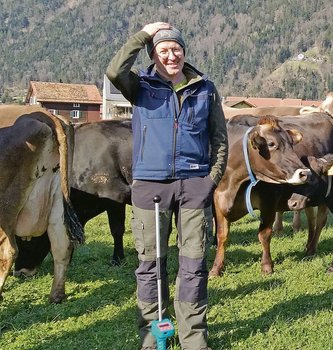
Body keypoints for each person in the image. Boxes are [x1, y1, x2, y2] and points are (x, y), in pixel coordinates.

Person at [106, 22, 228, 349]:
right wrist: (144, 34)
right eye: (163, 50)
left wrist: (209, 181)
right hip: (150, 187)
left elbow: (219, 140)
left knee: (193, 265)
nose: (171, 55)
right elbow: (114, 70)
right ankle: (152, 336)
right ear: (154, 55)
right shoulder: (140, 86)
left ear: (184, 52)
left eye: (176, 49)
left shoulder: (205, 89)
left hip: (193, 186)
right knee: (149, 266)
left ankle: (193, 339)